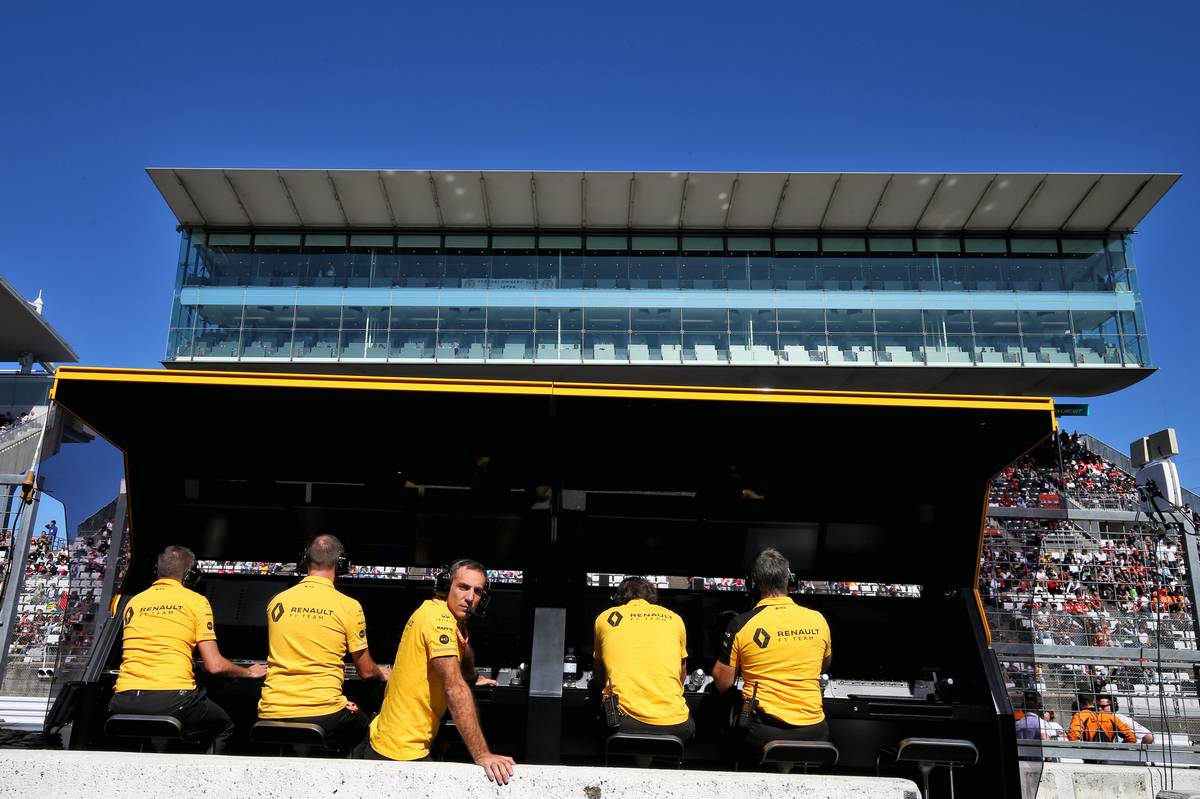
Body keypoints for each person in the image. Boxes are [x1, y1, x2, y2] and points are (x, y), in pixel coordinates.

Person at [367, 558, 515, 784]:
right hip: (401, 751)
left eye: (477, 592)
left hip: (396, 739)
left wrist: (474, 677)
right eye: (463, 587)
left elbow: (462, 658)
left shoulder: (449, 620)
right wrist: (482, 754)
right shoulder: (439, 620)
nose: (470, 597)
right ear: (447, 586)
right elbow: (454, 686)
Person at [109, 545, 266, 753]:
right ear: (191, 575)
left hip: (122, 700)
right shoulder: (196, 601)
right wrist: (248, 672)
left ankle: (159, 751)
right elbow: (215, 666)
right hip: (172, 699)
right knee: (224, 725)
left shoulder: (133, 602)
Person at [257, 535, 390, 751]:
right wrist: (383, 672)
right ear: (341, 564)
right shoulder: (349, 606)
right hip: (324, 712)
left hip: (271, 711)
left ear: (304, 561)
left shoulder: (277, 602)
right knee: (369, 729)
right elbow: (366, 672)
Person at [712, 548, 831, 767]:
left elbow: (722, 682)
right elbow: (823, 666)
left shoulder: (742, 624)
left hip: (763, 733)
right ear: (789, 580)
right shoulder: (818, 620)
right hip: (815, 731)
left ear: (753, 583)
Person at [592, 576, 693, 741]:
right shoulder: (675, 619)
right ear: (652, 598)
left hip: (622, 722)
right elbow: (682, 675)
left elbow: (598, 676)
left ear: (619, 598)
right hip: (676, 725)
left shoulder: (606, 618)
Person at [1066, 694, 1136, 743]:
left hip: (1089, 756)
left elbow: (1073, 736)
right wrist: (1119, 750)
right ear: (1094, 702)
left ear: (1079, 703)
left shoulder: (1080, 715)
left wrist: (1081, 750)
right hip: (1109, 754)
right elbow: (1131, 737)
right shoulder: (1111, 717)